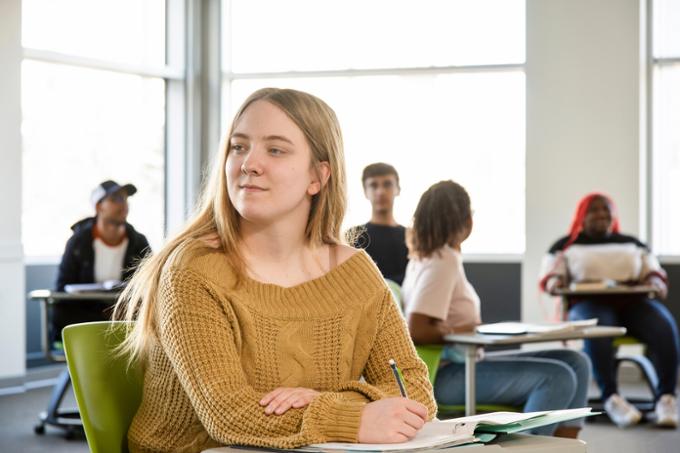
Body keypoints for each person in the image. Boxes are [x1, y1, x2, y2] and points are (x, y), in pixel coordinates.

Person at [113, 88, 436, 453]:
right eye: (239, 146)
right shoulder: (192, 269)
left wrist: (320, 401)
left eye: (276, 149)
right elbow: (229, 415)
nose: (249, 162)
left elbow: (413, 388)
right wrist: (353, 416)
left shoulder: (353, 272)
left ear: (318, 176)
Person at [403, 180, 591, 438]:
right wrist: (465, 329)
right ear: (465, 221)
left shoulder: (423, 259)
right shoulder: (442, 261)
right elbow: (418, 328)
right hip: (445, 376)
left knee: (576, 361)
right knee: (556, 377)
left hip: (461, 365)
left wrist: (464, 329)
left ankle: (563, 446)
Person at [540, 192, 679, 429]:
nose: (601, 214)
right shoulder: (565, 245)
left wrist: (656, 282)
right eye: (594, 210)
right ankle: (612, 398)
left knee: (664, 325)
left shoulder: (632, 243)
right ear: (581, 216)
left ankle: (666, 398)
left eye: (606, 209)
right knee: (600, 327)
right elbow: (551, 277)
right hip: (587, 303)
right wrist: (556, 283)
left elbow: (653, 270)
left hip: (632, 303)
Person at [52, 180, 150, 344]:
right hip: (86, 314)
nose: (123, 205)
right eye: (115, 199)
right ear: (98, 207)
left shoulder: (139, 241)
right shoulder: (78, 242)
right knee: (64, 314)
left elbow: (150, 282)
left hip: (124, 313)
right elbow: (62, 287)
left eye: (125, 199)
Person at [348, 163, 409, 284]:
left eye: (387, 184)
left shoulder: (413, 238)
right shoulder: (353, 236)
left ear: (398, 189)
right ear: (365, 192)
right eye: (373, 185)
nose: (380, 191)